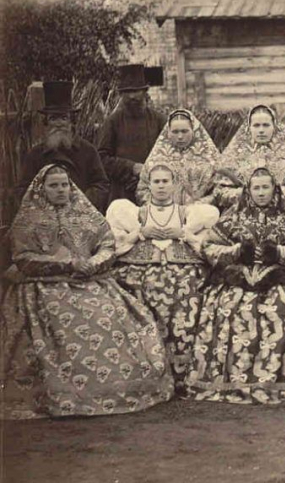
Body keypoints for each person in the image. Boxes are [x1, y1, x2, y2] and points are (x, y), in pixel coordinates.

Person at [1, 164, 173, 419]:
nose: (61, 190)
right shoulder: (28, 221)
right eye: (53, 186)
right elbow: (23, 257)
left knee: (107, 314)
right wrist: (67, 264)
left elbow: (107, 245)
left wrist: (92, 263)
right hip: (44, 284)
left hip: (89, 281)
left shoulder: (86, 215)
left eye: (65, 185)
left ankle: (118, 385)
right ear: (41, 189)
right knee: (60, 317)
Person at [187, 168, 285, 404]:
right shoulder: (233, 216)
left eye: (265, 187)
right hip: (239, 279)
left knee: (282, 309)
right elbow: (208, 248)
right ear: (248, 190)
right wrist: (236, 252)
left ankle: (277, 380)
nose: (261, 193)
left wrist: (279, 252)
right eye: (256, 188)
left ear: (275, 189)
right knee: (229, 308)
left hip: (278, 280)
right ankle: (232, 380)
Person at [107, 163, 217, 394]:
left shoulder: (188, 213)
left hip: (182, 268)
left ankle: (183, 371)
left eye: (165, 181)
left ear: (174, 185)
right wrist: (140, 233)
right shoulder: (136, 213)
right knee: (137, 289)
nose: (161, 186)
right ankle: (148, 368)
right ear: (148, 185)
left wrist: (184, 234)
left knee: (188, 290)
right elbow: (117, 245)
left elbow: (206, 245)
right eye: (156, 181)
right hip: (142, 268)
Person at [16, 81, 109, 211]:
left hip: (82, 215)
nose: (59, 124)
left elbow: (101, 185)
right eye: (53, 118)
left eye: (64, 118)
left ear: (71, 122)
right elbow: (22, 190)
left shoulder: (88, 151)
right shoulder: (35, 155)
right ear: (46, 123)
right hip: (46, 216)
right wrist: (48, 200)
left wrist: (79, 201)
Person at [215, 104, 285, 210]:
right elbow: (220, 191)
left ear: (274, 126)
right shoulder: (233, 156)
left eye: (266, 125)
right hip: (243, 211)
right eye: (256, 125)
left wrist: (276, 193)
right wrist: (247, 194)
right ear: (249, 127)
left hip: (284, 210)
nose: (261, 130)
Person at [97, 64, 167, 205]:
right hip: (122, 193)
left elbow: (170, 155)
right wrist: (131, 168)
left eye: (136, 91)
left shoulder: (159, 120)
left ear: (145, 91)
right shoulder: (113, 122)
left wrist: (149, 174)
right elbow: (102, 159)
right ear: (121, 94)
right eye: (127, 92)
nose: (132, 96)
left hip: (155, 191)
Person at [136, 109, 220, 206]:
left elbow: (218, 190)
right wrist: (159, 204)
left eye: (184, 131)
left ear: (194, 131)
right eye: (175, 132)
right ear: (168, 132)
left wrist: (201, 204)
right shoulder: (155, 159)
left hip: (197, 211)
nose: (180, 136)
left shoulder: (211, 159)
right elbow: (142, 190)